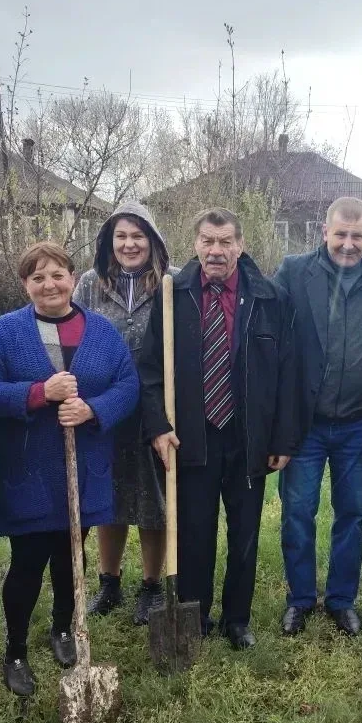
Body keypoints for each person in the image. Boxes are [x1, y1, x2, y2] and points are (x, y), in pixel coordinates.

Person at [0, 242, 139, 696]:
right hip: (31, 468)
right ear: (25, 284)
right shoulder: (5, 333)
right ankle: (15, 650)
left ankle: (64, 629)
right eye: (37, 277)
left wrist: (92, 409)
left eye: (57, 274)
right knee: (28, 560)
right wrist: (37, 393)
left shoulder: (101, 331)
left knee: (72, 555)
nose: (49, 284)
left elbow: (127, 385)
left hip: (82, 466)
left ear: (73, 278)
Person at [139, 207, 297, 650]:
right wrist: (157, 426)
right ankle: (195, 614)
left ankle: (237, 619)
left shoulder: (268, 297)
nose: (216, 251)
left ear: (240, 246)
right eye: (208, 241)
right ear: (195, 245)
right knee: (194, 531)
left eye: (226, 242)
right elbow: (150, 370)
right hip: (191, 436)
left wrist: (283, 437)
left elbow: (288, 372)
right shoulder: (173, 295)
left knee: (245, 531)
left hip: (249, 437)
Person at [273, 197, 362, 638]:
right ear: (325, 232)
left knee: (352, 513)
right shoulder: (295, 272)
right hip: (306, 424)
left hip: (359, 422)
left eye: (358, 236)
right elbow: (266, 325)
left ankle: (342, 599)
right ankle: (299, 598)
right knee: (298, 512)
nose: (348, 244)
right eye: (340, 235)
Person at [73, 202, 173, 625]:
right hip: (104, 409)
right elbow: (72, 332)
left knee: (153, 501)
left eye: (138, 236)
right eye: (121, 236)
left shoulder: (171, 285)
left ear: (152, 241)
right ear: (108, 243)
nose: (130, 244)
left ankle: (151, 587)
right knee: (107, 500)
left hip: (155, 409)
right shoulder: (90, 285)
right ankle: (108, 582)